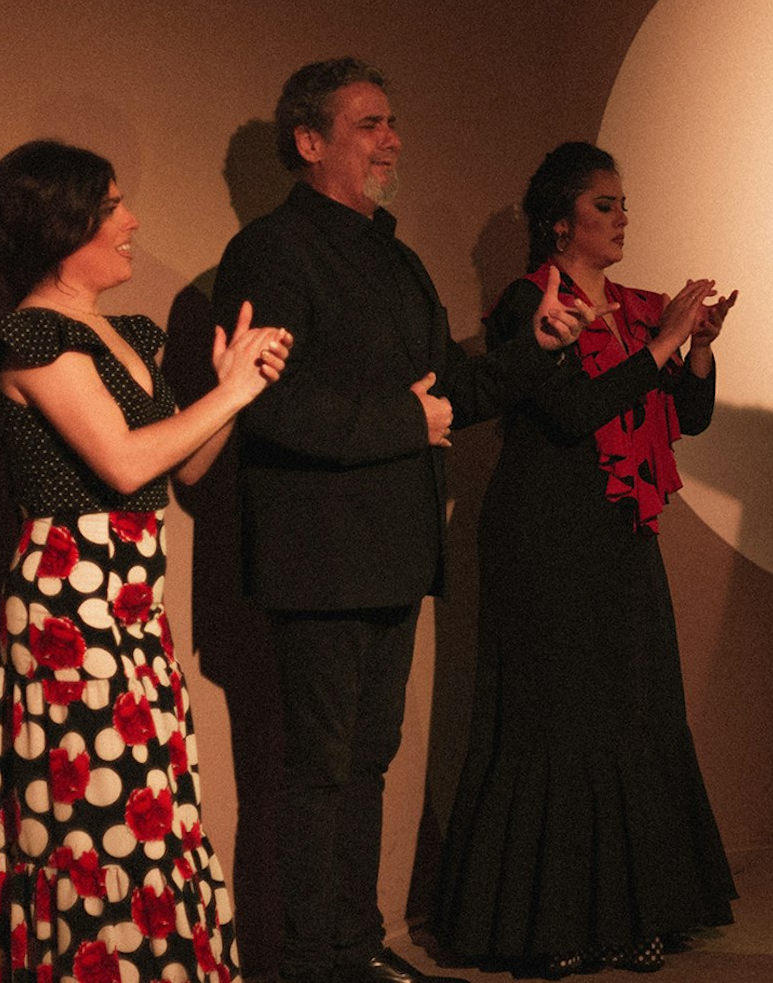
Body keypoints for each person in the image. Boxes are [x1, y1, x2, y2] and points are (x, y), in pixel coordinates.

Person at [210, 59, 603, 983]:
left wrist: (534, 349)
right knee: (318, 771)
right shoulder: (270, 252)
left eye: (391, 122)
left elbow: (452, 390)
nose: (392, 140)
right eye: (369, 124)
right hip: (319, 560)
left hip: (392, 552)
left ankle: (355, 948)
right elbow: (266, 402)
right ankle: (311, 966)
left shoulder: (395, 258)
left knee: (367, 762)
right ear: (309, 141)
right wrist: (403, 420)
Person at [0, 139, 292, 983]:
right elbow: (120, 463)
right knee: (97, 821)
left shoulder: (126, 335)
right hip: (69, 612)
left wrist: (230, 388)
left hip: (131, 605)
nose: (131, 222)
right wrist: (232, 392)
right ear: (60, 226)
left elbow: (182, 467)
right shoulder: (32, 336)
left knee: (150, 811)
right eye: (111, 207)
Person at [435, 142, 739, 978]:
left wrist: (697, 348)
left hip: (620, 530)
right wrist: (664, 341)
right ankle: (551, 921)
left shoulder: (639, 309)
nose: (621, 217)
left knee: (634, 712)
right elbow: (572, 413)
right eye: (604, 204)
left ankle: (633, 913)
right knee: (556, 719)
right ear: (561, 221)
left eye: (623, 203)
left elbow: (690, 415)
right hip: (545, 534)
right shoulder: (528, 302)